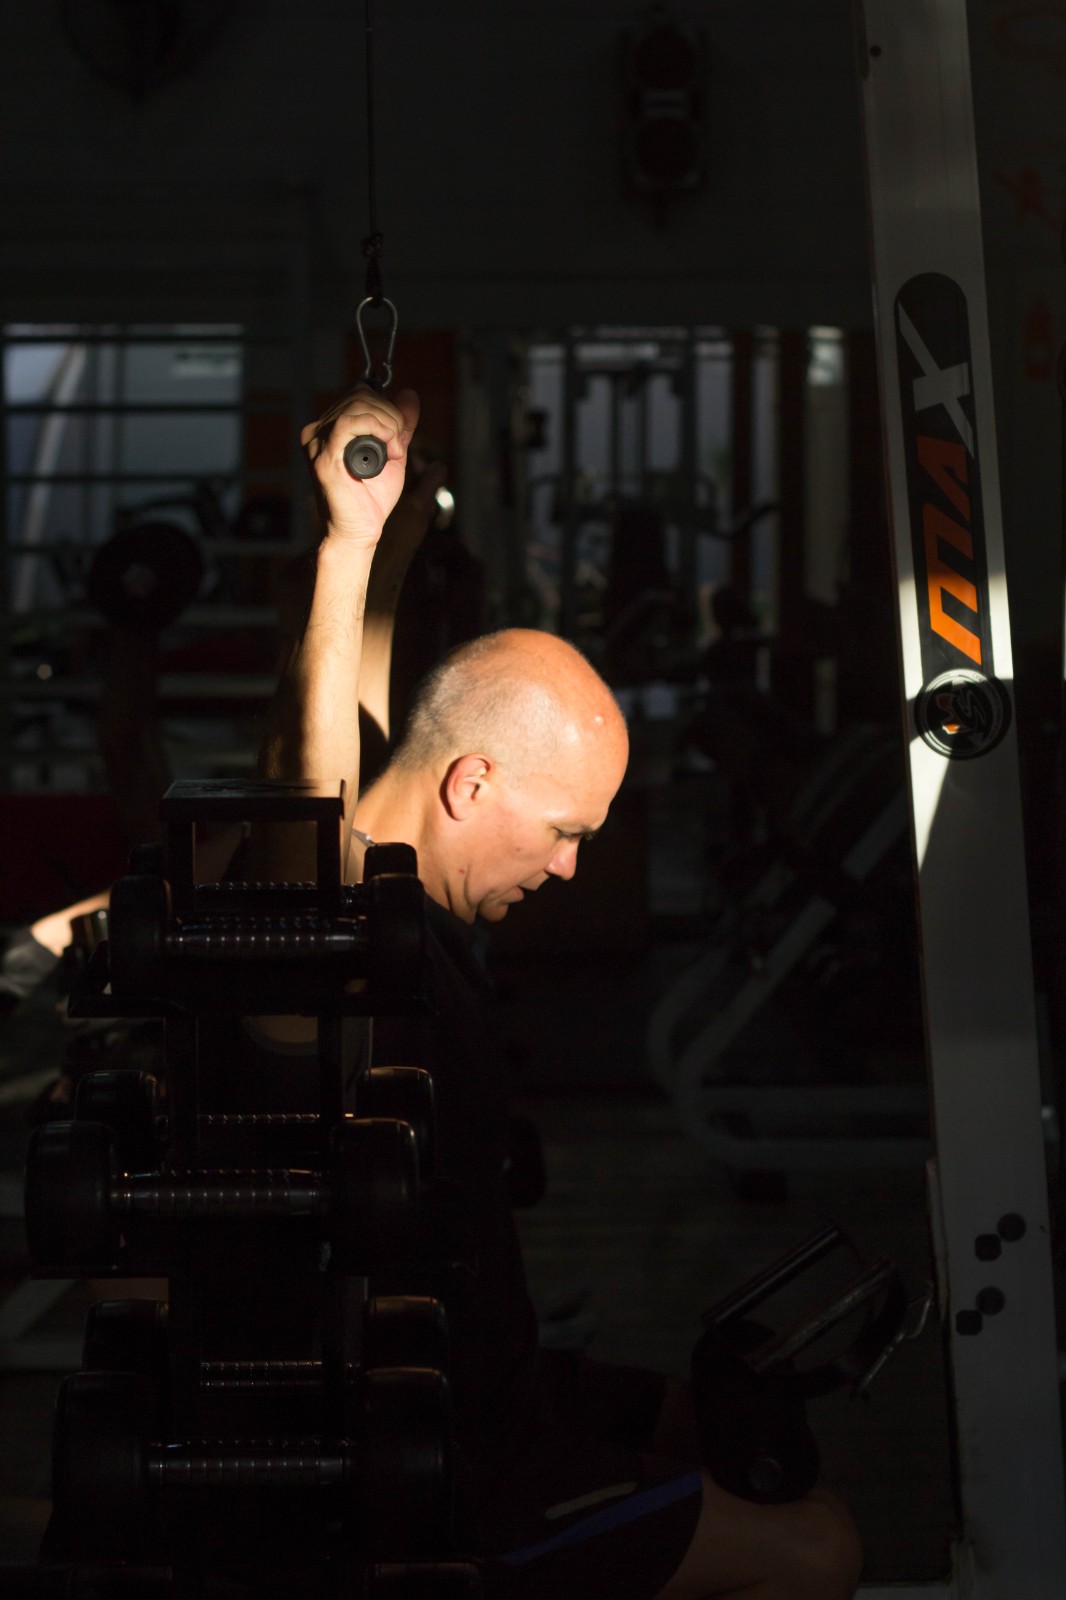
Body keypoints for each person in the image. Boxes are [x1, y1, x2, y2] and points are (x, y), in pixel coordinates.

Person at [245, 382, 865, 1600]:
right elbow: (300, 793)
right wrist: (347, 546)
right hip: (432, 1471)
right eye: (565, 830)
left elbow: (334, 727)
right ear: (471, 785)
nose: (573, 867)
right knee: (817, 1547)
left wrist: (396, 540)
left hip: (489, 1387)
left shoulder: (399, 878)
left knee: (698, 1418)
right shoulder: (340, 938)